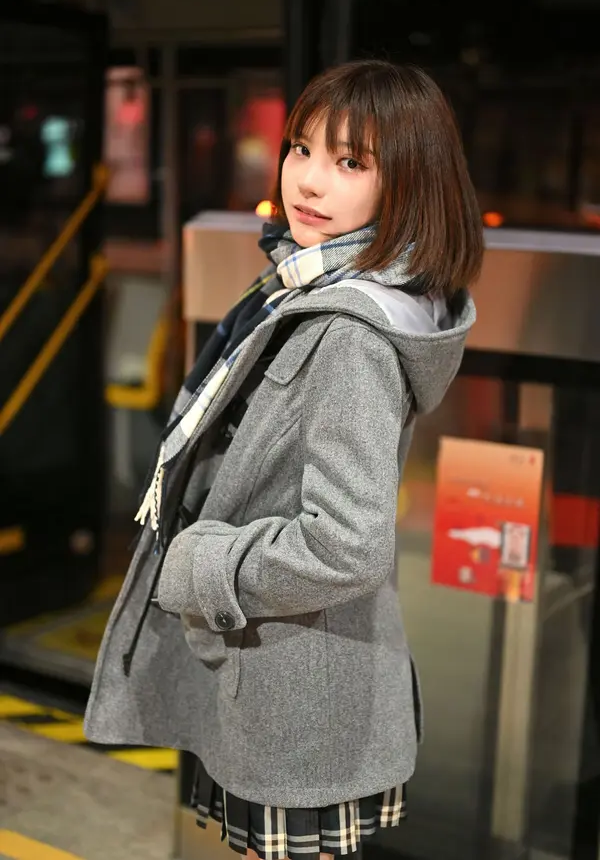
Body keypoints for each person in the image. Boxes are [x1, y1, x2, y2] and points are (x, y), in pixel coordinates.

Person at [85, 60, 483, 860]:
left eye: (350, 162)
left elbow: (346, 544)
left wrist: (200, 566)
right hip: (285, 678)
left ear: (409, 184)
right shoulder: (298, 288)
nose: (308, 179)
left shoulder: (349, 334)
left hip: (299, 695)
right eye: (301, 148)